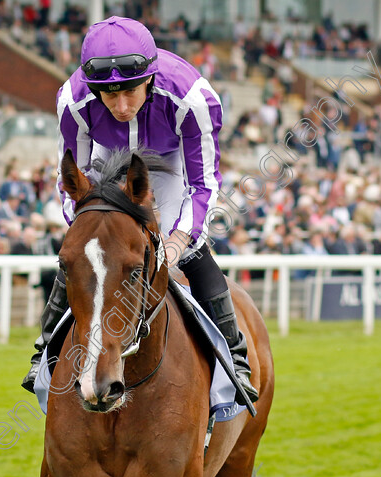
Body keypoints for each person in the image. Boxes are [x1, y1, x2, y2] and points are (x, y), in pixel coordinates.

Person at [20, 16, 258, 405]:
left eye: (131, 91)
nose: (122, 105)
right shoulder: (73, 101)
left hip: (168, 163)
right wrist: (88, 227)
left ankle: (235, 355)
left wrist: (178, 240)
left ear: (150, 76)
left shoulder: (193, 97)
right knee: (85, 253)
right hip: (105, 160)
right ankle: (42, 350)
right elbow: (70, 180)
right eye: (109, 96)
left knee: (195, 253)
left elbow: (204, 185)